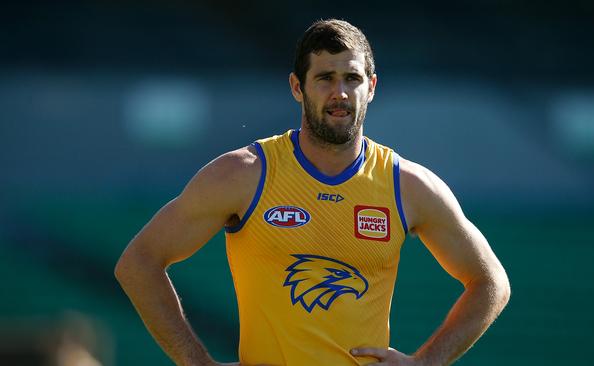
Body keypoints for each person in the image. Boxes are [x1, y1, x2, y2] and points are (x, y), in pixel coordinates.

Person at [115, 19, 510, 366]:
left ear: (371, 87)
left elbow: (491, 283)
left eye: (352, 78)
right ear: (297, 87)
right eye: (325, 78)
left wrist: (426, 362)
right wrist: (195, 361)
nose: (340, 92)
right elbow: (138, 263)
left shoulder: (407, 186)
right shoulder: (244, 174)